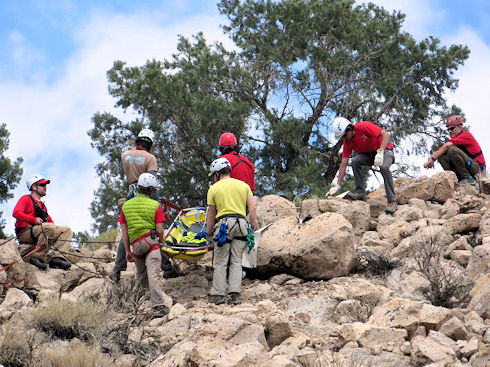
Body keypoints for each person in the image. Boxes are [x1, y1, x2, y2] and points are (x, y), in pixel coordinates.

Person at [113, 128, 175, 281]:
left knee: (128, 228)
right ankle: (167, 267)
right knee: (153, 229)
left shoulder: (125, 156)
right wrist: (155, 202)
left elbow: (133, 156)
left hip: (131, 193)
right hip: (146, 192)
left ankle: (118, 268)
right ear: (150, 144)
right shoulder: (150, 158)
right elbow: (151, 178)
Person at [206, 158, 258, 305]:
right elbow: (252, 208)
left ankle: (218, 295)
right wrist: (252, 226)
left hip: (224, 226)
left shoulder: (214, 188)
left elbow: (211, 213)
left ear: (216, 173)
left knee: (221, 262)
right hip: (241, 225)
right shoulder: (243, 185)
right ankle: (235, 295)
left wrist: (208, 232)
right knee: (236, 261)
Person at [119, 173, 171, 318]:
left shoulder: (126, 206)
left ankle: (136, 304)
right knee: (153, 274)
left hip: (136, 245)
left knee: (141, 275)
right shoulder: (155, 205)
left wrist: (128, 251)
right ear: (152, 190)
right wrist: (161, 242)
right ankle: (158, 306)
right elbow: (160, 230)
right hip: (151, 242)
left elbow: (124, 231)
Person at [326, 117, 398, 214]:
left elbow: (386, 135)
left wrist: (380, 151)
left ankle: (392, 201)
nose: (344, 138)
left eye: (344, 135)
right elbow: (344, 164)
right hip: (370, 155)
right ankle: (360, 192)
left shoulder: (364, 126)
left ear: (349, 129)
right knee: (355, 161)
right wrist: (338, 185)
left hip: (385, 150)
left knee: (384, 167)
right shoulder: (347, 142)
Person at [13, 174, 72, 270]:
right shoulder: (25, 198)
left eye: (46, 185)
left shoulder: (43, 207)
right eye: (43, 184)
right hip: (25, 232)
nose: (45, 187)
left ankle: (57, 259)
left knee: (66, 230)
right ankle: (37, 257)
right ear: (34, 187)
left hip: (40, 231)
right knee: (49, 227)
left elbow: (51, 224)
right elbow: (16, 213)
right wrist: (33, 220)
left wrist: (55, 230)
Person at [423, 115, 486, 184]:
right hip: (469, 167)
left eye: (452, 128)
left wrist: (432, 159)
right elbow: (440, 150)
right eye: (448, 129)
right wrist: (430, 160)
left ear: (459, 127)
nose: (449, 131)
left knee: (451, 150)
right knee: (441, 155)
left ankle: (467, 178)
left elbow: (447, 146)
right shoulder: (454, 140)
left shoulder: (466, 135)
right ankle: (454, 179)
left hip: (478, 170)